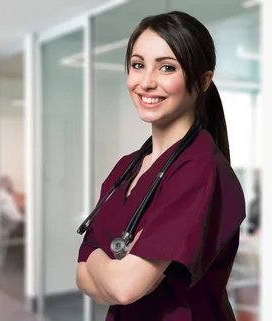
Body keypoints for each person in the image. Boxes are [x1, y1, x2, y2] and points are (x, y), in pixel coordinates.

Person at [75, 11, 246, 321]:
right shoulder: (126, 168)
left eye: (167, 67)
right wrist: (112, 269)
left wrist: (100, 261)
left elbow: (124, 287)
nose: (147, 82)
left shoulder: (201, 171)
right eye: (138, 65)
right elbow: (80, 275)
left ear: (203, 80)